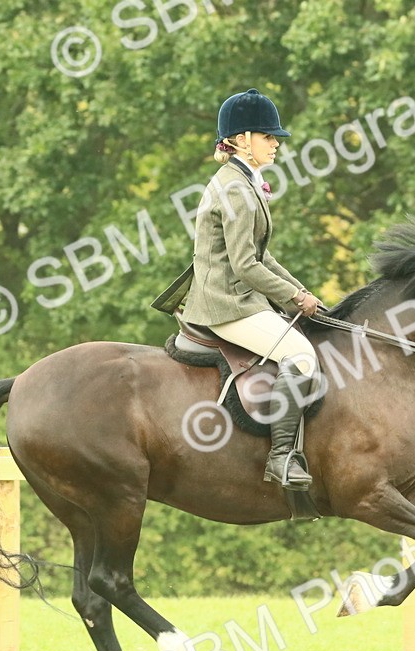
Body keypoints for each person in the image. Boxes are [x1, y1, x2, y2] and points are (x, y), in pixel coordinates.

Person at [181, 88, 325, 490]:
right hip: (225, 304)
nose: (276, 143)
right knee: (300, 354)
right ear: (242, 140)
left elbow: (263, 256)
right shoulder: (235, 190)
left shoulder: (244, 182)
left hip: (241, 296)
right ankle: (280, 460)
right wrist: (294, 298)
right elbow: (245, 266)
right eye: (268, 137)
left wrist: (305, 293)